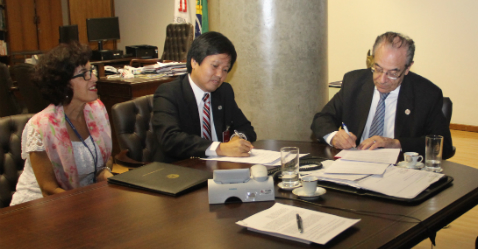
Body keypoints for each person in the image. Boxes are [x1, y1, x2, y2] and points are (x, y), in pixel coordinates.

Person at [311, 31, 454, 159]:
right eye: (377, 69)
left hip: (400, 171)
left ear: (408, 68)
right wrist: (334, 136)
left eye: (392, 73)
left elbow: (444, 146)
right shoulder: (354, 82)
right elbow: (321, 119)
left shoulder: (427, 94)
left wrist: (395, 143)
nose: (382, 79)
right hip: (355, 163)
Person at [10, 42, 112, 206]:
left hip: (82, 200)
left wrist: (114, 181)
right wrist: (83, 206)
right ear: (64, 82)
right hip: (37, 208)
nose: (94, 78)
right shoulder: (40, 126)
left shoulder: (97, 112)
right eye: (85, 74)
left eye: (92, 71)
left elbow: (104, 163)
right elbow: (48, 189)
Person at [152, 31, 256, 163]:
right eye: (214, 66)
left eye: (225, 69)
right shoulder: (169, 93)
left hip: (216, 169)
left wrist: (237, 138)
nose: (219, 75)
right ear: (194, 62)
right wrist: (219, 148)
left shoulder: (224, 91)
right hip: (178, 170)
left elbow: (247, 128)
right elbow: (170, 139)